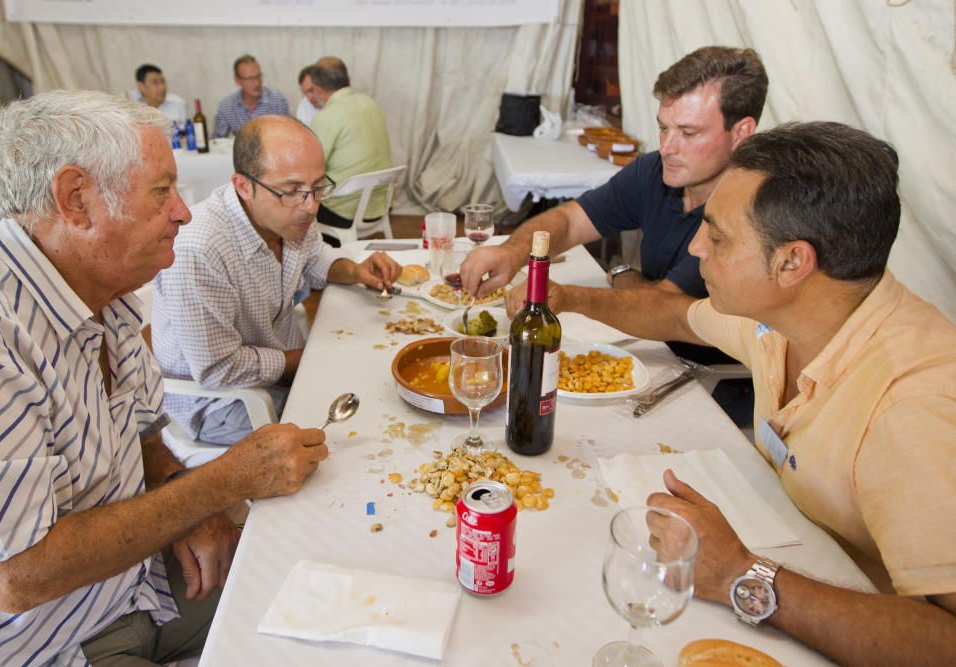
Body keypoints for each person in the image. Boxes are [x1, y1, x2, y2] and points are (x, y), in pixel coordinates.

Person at [0, 90, 329, 666]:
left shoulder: (102, 286)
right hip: (48, 643)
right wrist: (220, 484)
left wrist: (192, 511)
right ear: (76, 199)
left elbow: (142, 431)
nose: (182, 210)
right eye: (162, 191)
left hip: (137, 584)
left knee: (326, 596)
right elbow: (18, 576)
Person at [610, 121, 955, 665]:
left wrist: (737, 574)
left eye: (718, 237)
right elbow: (675, 314)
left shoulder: (913, 408)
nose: (697, 246)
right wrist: (553, 294)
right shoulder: (787, 318)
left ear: (792, 261)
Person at [461, 47, 767, 361]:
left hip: (712, 382)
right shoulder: (655, 171)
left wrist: (571, 297)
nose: (667, 148)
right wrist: (513, 251)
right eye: (663, 128)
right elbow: (571, 221)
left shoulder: (754, 207)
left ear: (741, 132)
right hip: (651, 347)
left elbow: (672, 310)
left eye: (688, 133)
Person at [153, 115, 401, 446]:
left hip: (282, 368)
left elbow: (314, 257)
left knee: (379, 396)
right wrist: (311, 359)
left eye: (317, 188)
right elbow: (219, 370)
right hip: (224, 402)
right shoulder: (200, 248)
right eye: (292, 191)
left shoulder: (291, 212)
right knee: (361, 428)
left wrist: (355, 270)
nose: (311, 207)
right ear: (243, 185)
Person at [307, 56, 393, 237]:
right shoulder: (371, 104)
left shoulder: (327, 117)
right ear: (347, 80)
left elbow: (309, 166)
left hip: (343, 212)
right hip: (379, 205)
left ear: (318, 89)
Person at [213, 54, 290, 138]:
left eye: (258, 76)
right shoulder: (227, 106)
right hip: (242, 150)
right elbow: (217, 139)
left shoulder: (277, 101)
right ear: (238, 81)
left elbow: (287, 134)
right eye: (250, 79)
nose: (257, 83)